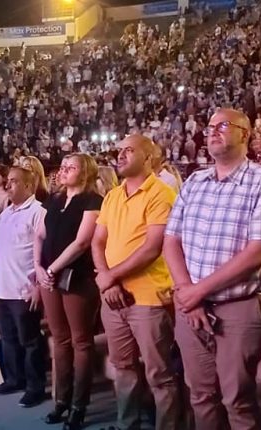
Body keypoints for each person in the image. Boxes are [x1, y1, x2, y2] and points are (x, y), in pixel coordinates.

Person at [163, 108, 261, 430]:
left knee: (237, 400)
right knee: (200, 396)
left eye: (223, 126)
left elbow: (260, 251)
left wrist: (196, 292)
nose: (213, 132)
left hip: (239, 306)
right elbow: (171, 240)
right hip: (191, 306)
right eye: (209, 127)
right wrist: (186, 292)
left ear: (245, 134)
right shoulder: (195, 181)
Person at [91, 135, 181, 430]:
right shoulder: (113, 196)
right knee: (123, 367)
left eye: (129, 150)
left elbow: (152, 248)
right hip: (113, 296)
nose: (120, 155)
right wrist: (109, 283)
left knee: (160, 375)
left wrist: (109, 277)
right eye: (119, 150)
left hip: (149, 298)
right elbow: (97, 241)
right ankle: (126, 424)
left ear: (149, 158)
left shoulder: (161, 194)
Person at [34, 153, 102, 430]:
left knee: (80, 341)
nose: (63, 171)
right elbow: (39, 234)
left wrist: (52, 268)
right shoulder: (54, 200)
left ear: (85, 172)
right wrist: (38, 266)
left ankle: (78, 406)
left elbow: (82, 242)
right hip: (49, 276)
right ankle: (61, 400)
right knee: (59, 338)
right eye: (62, 167)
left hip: (77, 277)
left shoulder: (92, 200)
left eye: (70, 167)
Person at [0, 167, 47, 408]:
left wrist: (38, 287)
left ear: (28, 186)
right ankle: (14, 379)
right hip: (3, 287)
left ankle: (35, 387)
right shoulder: (5, 214)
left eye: (14, 181)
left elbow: (44, 253)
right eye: (8, 181)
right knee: (8, 338)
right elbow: (0, 249)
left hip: (24, 287)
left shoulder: (38, 212)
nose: (8, 185)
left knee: (30, 341)